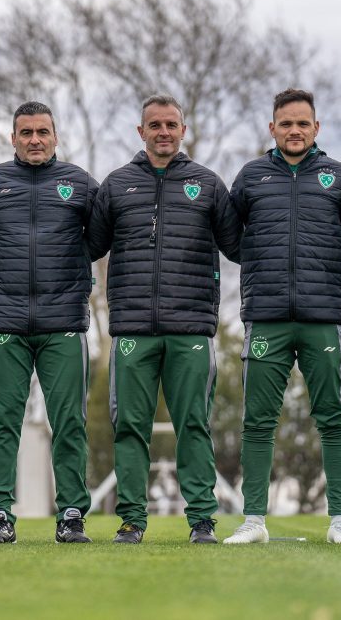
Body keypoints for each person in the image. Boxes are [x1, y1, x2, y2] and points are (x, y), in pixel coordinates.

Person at [225, 89, 341, 546]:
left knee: (333, 417)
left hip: (324, 315)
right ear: (272, 128)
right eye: (286, 123)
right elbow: (233, 241)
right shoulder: (251, 177)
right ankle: (253, 520)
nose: (294, 131)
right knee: (257, 420)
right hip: (266, 317)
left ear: (317, 128)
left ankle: (340, 522)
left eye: (303, 123)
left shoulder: (338, 177)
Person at [88, 94, 242, 544]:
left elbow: (239, 247)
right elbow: (88, 247)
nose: (163, 132)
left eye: (171, 124)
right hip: (133, 328)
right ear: (141, 132)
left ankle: (202, 521)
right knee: (129, 426)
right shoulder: (117, 185)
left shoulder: (208, 185)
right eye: (154, 125)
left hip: (190, 327)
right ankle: (132, 520)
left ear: (183, 130)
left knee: (193, 424)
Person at [0, 101, 99, 544]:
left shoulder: (80, 185)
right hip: (4, 325)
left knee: (69, 422)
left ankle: (71, 513)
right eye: (26, 132)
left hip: (64, 324)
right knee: (1, 423)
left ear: (56, 136)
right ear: (12, 137)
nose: (35, 139)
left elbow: (101, 240)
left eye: (42, 131)